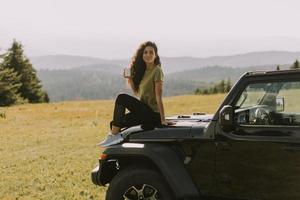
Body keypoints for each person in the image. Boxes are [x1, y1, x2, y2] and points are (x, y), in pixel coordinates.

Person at [99, 41, 169, 147]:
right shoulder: (143, 72)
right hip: (143, 112)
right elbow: (138, 93)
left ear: (155, 55)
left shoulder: (157, 71)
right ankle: (117, 142)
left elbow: (159, 97)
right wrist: (130, 79)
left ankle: (113, 136)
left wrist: (162, 119)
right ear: (142, 55)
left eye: (151, 52)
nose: (148, 55)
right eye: (145, 52)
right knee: (114, 123)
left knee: (121, 98)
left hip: (152, 114)